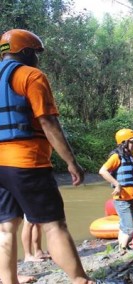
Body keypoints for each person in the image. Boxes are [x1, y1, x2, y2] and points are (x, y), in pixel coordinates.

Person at [0, 29, 93, 283]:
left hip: (0, 166)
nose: (38, 59)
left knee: (6, 227)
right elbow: (48, 122)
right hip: (26, 163)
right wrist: (71, 162)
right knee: (54, 225)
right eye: (36, 53)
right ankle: (79, 279)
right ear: (26, 52)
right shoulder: (31, 75)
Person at [99, 129, 133, 255]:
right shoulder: (116, 156)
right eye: (132, 142)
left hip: (131, 196)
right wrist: (116, 184)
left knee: (124, 226)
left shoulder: (130, 157)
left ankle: (122, 250)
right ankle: (123, 249)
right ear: (124, 143)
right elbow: (102, 171)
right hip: (122, 198)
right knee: (130, 228)